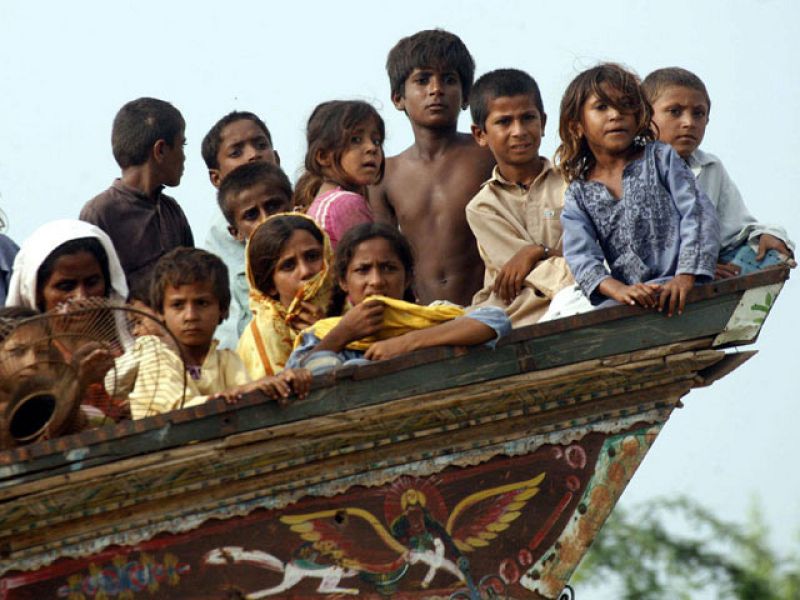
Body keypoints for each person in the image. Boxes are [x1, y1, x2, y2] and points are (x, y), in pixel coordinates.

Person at [555, 64, 720, 316]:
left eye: (625, 105)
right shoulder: (579, 194)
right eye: (602, 107)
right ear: (577, 125)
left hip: (684, 287)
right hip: (632, 298)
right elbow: (581, 254)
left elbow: (697, 214)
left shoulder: (661, 158)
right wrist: (617, 289)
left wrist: (685, 277)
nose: (615, 115)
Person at [370, 29, 495, 306]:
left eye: (449, 79)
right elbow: (383, 256)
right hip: (423, 319)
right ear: (398, 98)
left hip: (491, 310)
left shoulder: (488, 155)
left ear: (466, 97)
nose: (436, 89)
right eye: (422, 80)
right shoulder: (385, 174)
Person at [286, 222, 510, 374]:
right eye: (363, 270)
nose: (376, 281)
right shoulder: (324, 333)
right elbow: (296, 375)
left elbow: (495, 320)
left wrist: (405, 343)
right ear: (343, 281)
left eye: (388, 268)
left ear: (408, 278)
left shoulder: (431, 317)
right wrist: (344, 333)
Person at [642, 67, 794, 277]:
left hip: (700, 274)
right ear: (644, 117)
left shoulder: (710, 167)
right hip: (641, 282)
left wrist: (768, 235)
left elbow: (736, 229)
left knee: (769, 255)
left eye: (698, 114)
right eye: (674, 111)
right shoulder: (628, 169)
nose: (689, 123)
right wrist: (689, 268)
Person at [125, 248, 310, 419]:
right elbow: (178, 407)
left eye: (202, 303)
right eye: (178, 305)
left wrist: (284, 381)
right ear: (160, 313)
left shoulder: (227, 360)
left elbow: (249, 394)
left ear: (223, 310)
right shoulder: (155, 356)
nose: (190, 316)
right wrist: (230, 396)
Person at [466, 68, 574, 327]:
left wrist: (535, 251)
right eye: (504, 122)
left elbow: (591, 248)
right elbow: (526, 274)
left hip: (577, 305)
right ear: (480, 134)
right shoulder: (483, 207)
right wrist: (586, 273)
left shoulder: (573, 182)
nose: (519, 131)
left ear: (543, 123)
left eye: (528, 118)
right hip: (515, 318)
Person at [6, 219, 130, 421]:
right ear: (37, 292)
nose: (81, 297)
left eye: (92, 282)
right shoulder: (26, 358)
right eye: (66, 286)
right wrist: (79, 382)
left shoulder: (132, 341)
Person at [80, 97, 194, 298]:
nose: (184, 157)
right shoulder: (101, 213)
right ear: (160, 150)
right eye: (182, 145)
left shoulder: (172, 212)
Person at [201, 111, 281, 349]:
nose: (253, 155)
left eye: (260, 145)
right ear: (216, 179)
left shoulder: (301, 205)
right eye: (237, 152)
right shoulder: (223, 231)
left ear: (276, 157)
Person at [237, 214, 333, 379]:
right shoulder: (266, 333)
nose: (305, 271)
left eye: (312, 256)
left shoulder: (349, 304)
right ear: (270, 286)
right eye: (288, 266)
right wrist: (327, 335)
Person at [215, 161, 293, 343]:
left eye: (273, 206)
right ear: (236, 232)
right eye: (251, 215)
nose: (266, 219)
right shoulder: (246, 282)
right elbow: (257, 339)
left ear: (292, 202)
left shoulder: (321, 250)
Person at [295, 100, 383, 249]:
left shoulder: (324, 202)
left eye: (376, 141)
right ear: (323, 156)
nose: (371, 148)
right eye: (355, 140)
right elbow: (371, 262)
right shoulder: (346, 203)